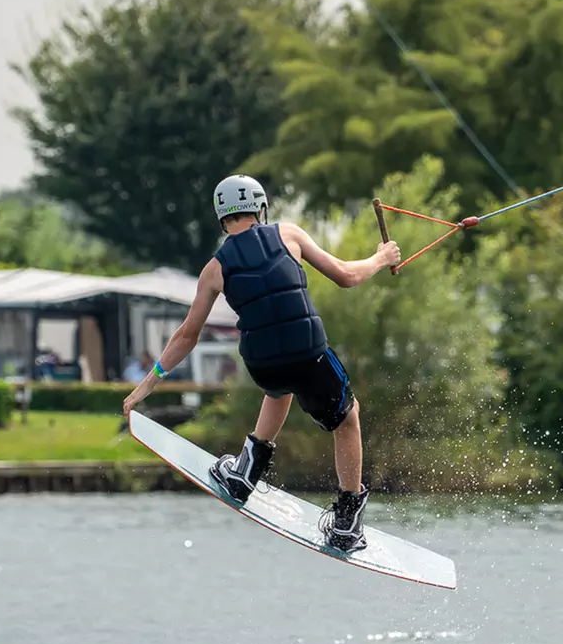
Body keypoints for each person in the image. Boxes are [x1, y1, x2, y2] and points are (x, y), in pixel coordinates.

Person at [122, 174, 400, 550]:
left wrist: (147, 383)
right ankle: (347, 522)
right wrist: (382, 257)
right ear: (261, 208)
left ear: (222, 218)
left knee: (280, 389)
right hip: (309, 355)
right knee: (347, 418)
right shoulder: (289, 235)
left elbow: (187, 334)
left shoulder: (214, 269)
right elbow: (348, 276)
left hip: (263, 364)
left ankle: (245, 473)